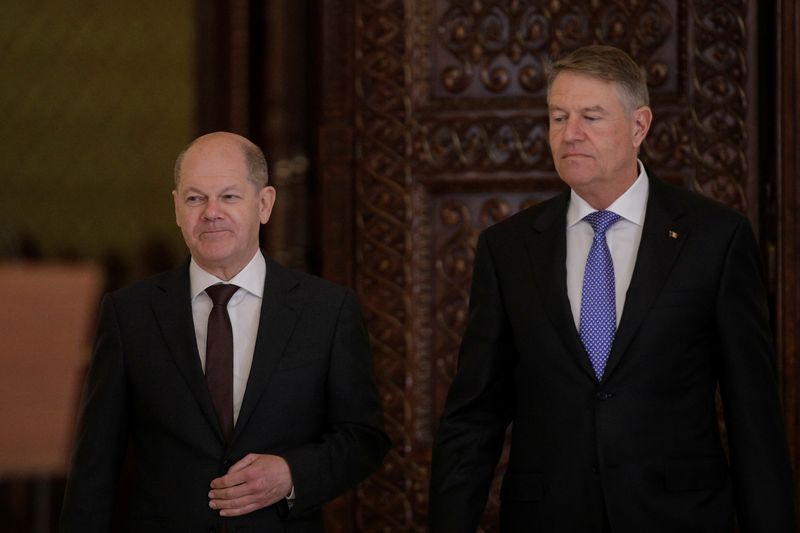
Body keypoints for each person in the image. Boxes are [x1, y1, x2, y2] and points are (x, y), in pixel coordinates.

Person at [429, 45, 795, 532]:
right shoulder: (509, 248)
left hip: (679, 517)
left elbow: (754, 415)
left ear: (639, 125)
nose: (570, 134)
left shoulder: (715, 239)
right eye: (558, 117)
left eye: (591, 117)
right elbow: (475, 414)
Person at [61, 131, 390, 532]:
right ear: (177, 208)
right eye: (195, 198)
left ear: (264, 203)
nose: (210, 212)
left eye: (229, 196)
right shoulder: (130, 314)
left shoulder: (328, 311)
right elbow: (95, 463)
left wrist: (291, 474)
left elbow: (363, 438)